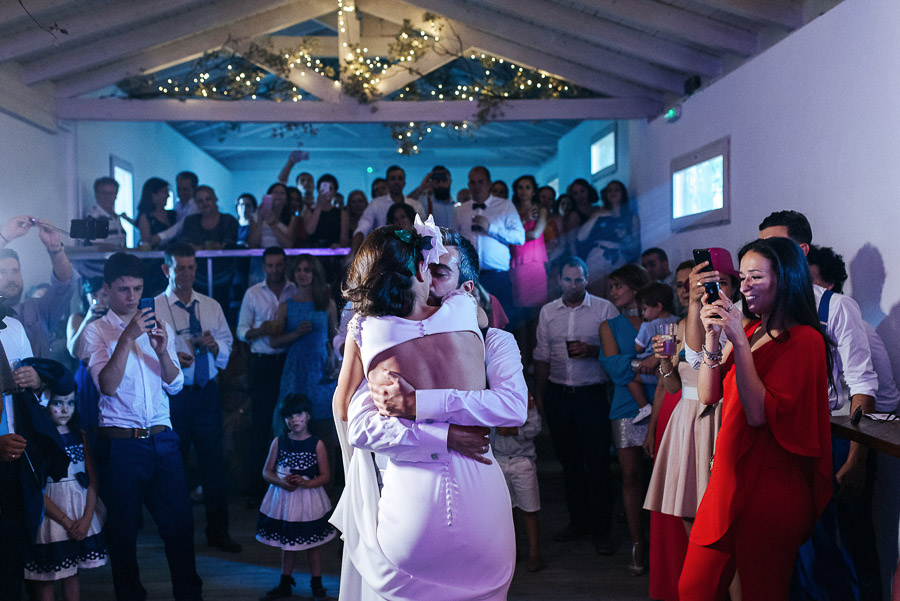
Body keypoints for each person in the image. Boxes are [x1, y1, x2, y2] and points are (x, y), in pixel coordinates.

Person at [330, 222, 526, 600]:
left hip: (426, 505)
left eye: (442, 271)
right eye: (428, 267)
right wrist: (447, 434)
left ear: (466, 287)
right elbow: (356, 423)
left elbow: (348, 417)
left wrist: (416, 403)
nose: (433, 282)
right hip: (457, 492)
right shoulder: (462, 314)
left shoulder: (370, 330)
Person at [679, 236, 833, 600]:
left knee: (762, 590)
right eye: (742, 277)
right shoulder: (749, 329)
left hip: (771, 484)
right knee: (693, 588)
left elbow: (759, 413)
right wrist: (714, 339)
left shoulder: (806, 340)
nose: (744, 287)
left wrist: (740, 343)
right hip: (730, 476)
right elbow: (708, 394)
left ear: (786, 279)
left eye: (755, 277)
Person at [754, 210, 879, 601]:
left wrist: (857, 457)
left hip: (831, 435)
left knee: (833, 549)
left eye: (775, 246)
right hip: (781, 439)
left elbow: (862, 384)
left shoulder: (835, 308)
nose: (766, 255)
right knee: (794, 546)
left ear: (800, 250)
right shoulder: (762, 309)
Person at [82, 252, 202, 601]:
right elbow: (107, 385)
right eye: (123, 289)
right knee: (123, 535)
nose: (131, 296)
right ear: (107, 289)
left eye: (137, 288)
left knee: (179, 527)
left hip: (163, 440)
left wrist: (164, 351)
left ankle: (190, 597)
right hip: (121, 445)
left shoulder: (157, 322)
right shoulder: (96, 331)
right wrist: (127, 338)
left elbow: (176, 385)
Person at [642, 260, 740, 601]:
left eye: (717, 281)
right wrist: (666, 365)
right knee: (688, 515)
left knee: (722, 525)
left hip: (717, 416)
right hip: (685, 419)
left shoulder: (729, 322)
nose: (692, 288)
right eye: (686, 284)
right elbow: (671, 387)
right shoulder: (678, 325)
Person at [153, 243, 240, 553]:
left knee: (213, 465)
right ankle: (177, 535)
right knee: (173, 467)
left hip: (206, 394)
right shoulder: (154, 307)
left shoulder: (211, 305)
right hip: (174, 396)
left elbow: (227, 347)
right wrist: (171, 356)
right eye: (180, 268)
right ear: (167, 270)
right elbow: (146, 353)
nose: (187, 274)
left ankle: (219, 531)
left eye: (191, 268)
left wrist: (215, 347)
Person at [532, 257, 617, 553]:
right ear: (559, 281)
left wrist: (592, 350)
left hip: (592, 395)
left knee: (597, 465)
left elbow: (617, 353)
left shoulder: (604, 309)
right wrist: (539, 394)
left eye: (578, 280)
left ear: (587, 278)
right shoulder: (547, 312)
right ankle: (578, 523)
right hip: (558, 395)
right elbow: (541, 355)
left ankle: (602, 531)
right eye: (567, 280)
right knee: (570, 466)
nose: (573, 285)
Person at [25, 384, 108, 601]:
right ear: (45, 404)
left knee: (72, 572)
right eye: (58, 403)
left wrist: (87, 519)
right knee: (48, 575)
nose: (65, 410)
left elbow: (91, 477)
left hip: (80, 510)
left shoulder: (80, 434)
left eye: (70, 403)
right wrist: (66, 521)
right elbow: (35, 486)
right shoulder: (38, 437)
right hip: (52, 515)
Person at [598, 263, 653, 576]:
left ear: (635, 286)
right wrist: (645, 363)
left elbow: (668, 361)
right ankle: (637, 542)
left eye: (618, 285)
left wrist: (639, 364)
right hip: (625, 408)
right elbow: (614, 368)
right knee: (631, 476)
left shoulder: (659, 320)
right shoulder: (609, 326)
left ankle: (664, 539)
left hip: (661, 400)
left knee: (661, 475)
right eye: (612, 286)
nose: (613, 292)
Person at [0, 314, 59, 601]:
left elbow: (31, 396)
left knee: (13, 554)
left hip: (15, 452)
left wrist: (37, 382)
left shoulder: (12, 327)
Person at [257, 394, 336, 600]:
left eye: (298, 414)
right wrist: (281, 482)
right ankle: (285, 582)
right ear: (284, 419)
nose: (294, 419)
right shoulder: (279, 441)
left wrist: (308, 483)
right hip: (284, 500)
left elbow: (326, 475)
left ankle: (317, 583)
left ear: (307, 416)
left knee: (312, 544)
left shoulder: (316, 444)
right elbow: (267, 471)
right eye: (289, 416)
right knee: (288, 544)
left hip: (309, 501)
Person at [269, 255, 338, 486]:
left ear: (314, 273)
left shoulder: (327, 304)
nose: (302, 273)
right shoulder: (285, 306)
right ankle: (292, 482)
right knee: (293, 426)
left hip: (320, 370)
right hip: (296, 370)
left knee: (325, 426)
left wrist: (332, 357)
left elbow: (334, 338)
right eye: (298, 269)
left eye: (307, 269)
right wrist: (296, 334)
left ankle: (327, 489)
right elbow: (274, 341)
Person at [237, 247, 298, 496]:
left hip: (288, 361)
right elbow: (241, 331)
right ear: (263, 267)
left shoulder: (295, 289)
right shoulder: (253, 294)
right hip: (262, 363)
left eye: (279, 264)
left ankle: (291, 482)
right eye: (270, 265)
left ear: (285, 265)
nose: (275, 269)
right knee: (261, 425)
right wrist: (262, 330)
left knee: (291, 422)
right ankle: (256, 489)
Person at [452, 166, 525, 318]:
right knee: (469, 320)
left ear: (489, 183)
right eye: (472, 182)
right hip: (469, 275)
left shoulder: (505, 205)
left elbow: (519, 237)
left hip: (497, 275)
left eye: (480, 182)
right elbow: (453, 240)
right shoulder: (460, 210)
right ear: (468, 185)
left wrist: (491, 228)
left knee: (502, 321)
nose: (476, 186)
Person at [0, 215, 76, 359]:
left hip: (38, 380)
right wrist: (5, 237)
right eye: (2, 272)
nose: (11, 278)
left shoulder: (37, 310)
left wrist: (55, 248)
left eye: (16, 271)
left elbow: (66, 284)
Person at [494, 397, 543, 572]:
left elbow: (536, 427)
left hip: (523, 459)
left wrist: (515, 431)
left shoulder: (524, 398)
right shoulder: (487, 398)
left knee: (529, 509)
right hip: (497, 459)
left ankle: (535, 552)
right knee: (507, 511)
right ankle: (513, 551)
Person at [573, 179, 640, 297]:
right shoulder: (599, 215)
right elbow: (581, 236)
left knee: (616, 295)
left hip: (618, 257)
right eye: (609, 190)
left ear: (623, 193)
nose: (613, 193)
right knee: (596, 295)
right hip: (597, 257)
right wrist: (596, 216)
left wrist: (624, 237)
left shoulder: (631, 218)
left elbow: (636, 247)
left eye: (616, 190)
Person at [66, 278, 108, 448]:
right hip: (86, 375)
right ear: (86, 296)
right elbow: (73, 350)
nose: (99, 299)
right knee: (86, 422)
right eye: (94, 295)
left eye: (104, 295)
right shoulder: (78, 317)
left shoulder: (114, 320)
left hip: (108, 372)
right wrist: (89, 318)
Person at [509, 174, 548, 357]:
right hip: (518, 262)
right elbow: (508, 237)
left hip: (535, 262)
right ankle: (522, 356)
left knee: (536, 314)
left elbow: (535, 234)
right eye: (520, 187)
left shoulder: (541, 210)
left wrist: (520, 228)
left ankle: (536, 355)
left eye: (527, 187)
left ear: (533, 190)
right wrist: (523, 220)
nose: (523, 191)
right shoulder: (511, 210)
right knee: (520, 314)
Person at [631, 282, 680, 424]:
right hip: (668, 370)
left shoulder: (647, 326)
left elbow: (638, 348)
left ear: (658, 306)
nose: (643, 313)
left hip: (646, 368)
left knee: (628, 377)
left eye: (644, 309)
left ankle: (644, 407)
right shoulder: (678, 322)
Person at [351, 165, 425, 253]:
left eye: (400, 178)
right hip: (384, 253)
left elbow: (424, 231)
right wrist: (353, 251)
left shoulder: (416, 205)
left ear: (404, 182)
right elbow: (363, 226)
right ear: (387, 182)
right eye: (393, 178)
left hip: (413, 252)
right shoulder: (376, 204)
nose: (396, 182)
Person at [179, 185, 239, 249]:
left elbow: (231, 244)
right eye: (200, 201)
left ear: (215, 200)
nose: (205, 203)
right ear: (196, 204)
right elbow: (184, 244)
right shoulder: (190, 221)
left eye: (208, 199)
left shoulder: (228, 220)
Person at [248, 183, 296, 249]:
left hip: (282, 255)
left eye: (282, 193)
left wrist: (273, 225)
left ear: (287, 199)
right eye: (275, 192)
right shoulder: (254, 217)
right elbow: (253, 245)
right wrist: (260, 220)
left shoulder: (292, 219)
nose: (278, 195)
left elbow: (288, 245)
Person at [87, 177, 128, 248]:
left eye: (111, 193)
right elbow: (96, 246)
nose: (107, 197)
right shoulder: (94, 217)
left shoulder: (116, 217)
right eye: (104, 193)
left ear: (116, 195)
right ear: (96, 194)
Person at [304, 174, 342, 248]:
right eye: (323, 189)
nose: (327, 192)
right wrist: (319, 205)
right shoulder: (309, 212)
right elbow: (309, 231)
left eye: (330, 189)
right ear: (318, 190)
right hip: (313, 253)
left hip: (334, 254)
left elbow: (344, 240)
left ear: (334, 192)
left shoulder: (342, 213)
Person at [136, 177, 176, 249]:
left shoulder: (172, 214)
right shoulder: (146, 217)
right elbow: (147, 243)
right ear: (153, 195)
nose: (168, 195)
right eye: (164, 192)